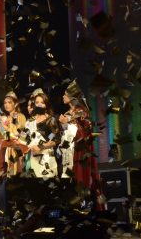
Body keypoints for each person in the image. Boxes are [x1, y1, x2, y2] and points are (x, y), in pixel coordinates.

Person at [59, 82, 104, 210]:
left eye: (66, 94)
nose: (63, 96)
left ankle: (86, 207)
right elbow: (65, 134)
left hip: (80, 150)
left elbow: (85, 129)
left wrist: (67, 121)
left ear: (72, 97)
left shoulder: (81, 111)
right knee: (71, 179)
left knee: (81, 177)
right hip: (69, 151)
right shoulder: (67, 113)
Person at [24, 89, 60, 180]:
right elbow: (24, 138)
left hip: (46, 159)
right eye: (37, 102)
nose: (39, 104)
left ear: (46, 105)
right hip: (32, 159)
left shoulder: (50, 120)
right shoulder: (29, 121)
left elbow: (56, 140)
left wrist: (40, 147)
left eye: (42, 102)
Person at [0, 91, 27, 177]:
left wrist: (3, 126)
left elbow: (18, 135)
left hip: (16, 151)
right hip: (3, 153)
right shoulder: (3, 118)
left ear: (15, 104)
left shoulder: (20, 116)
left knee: (15, 178)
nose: (6, 105)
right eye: (5, 103)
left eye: (9, 102)